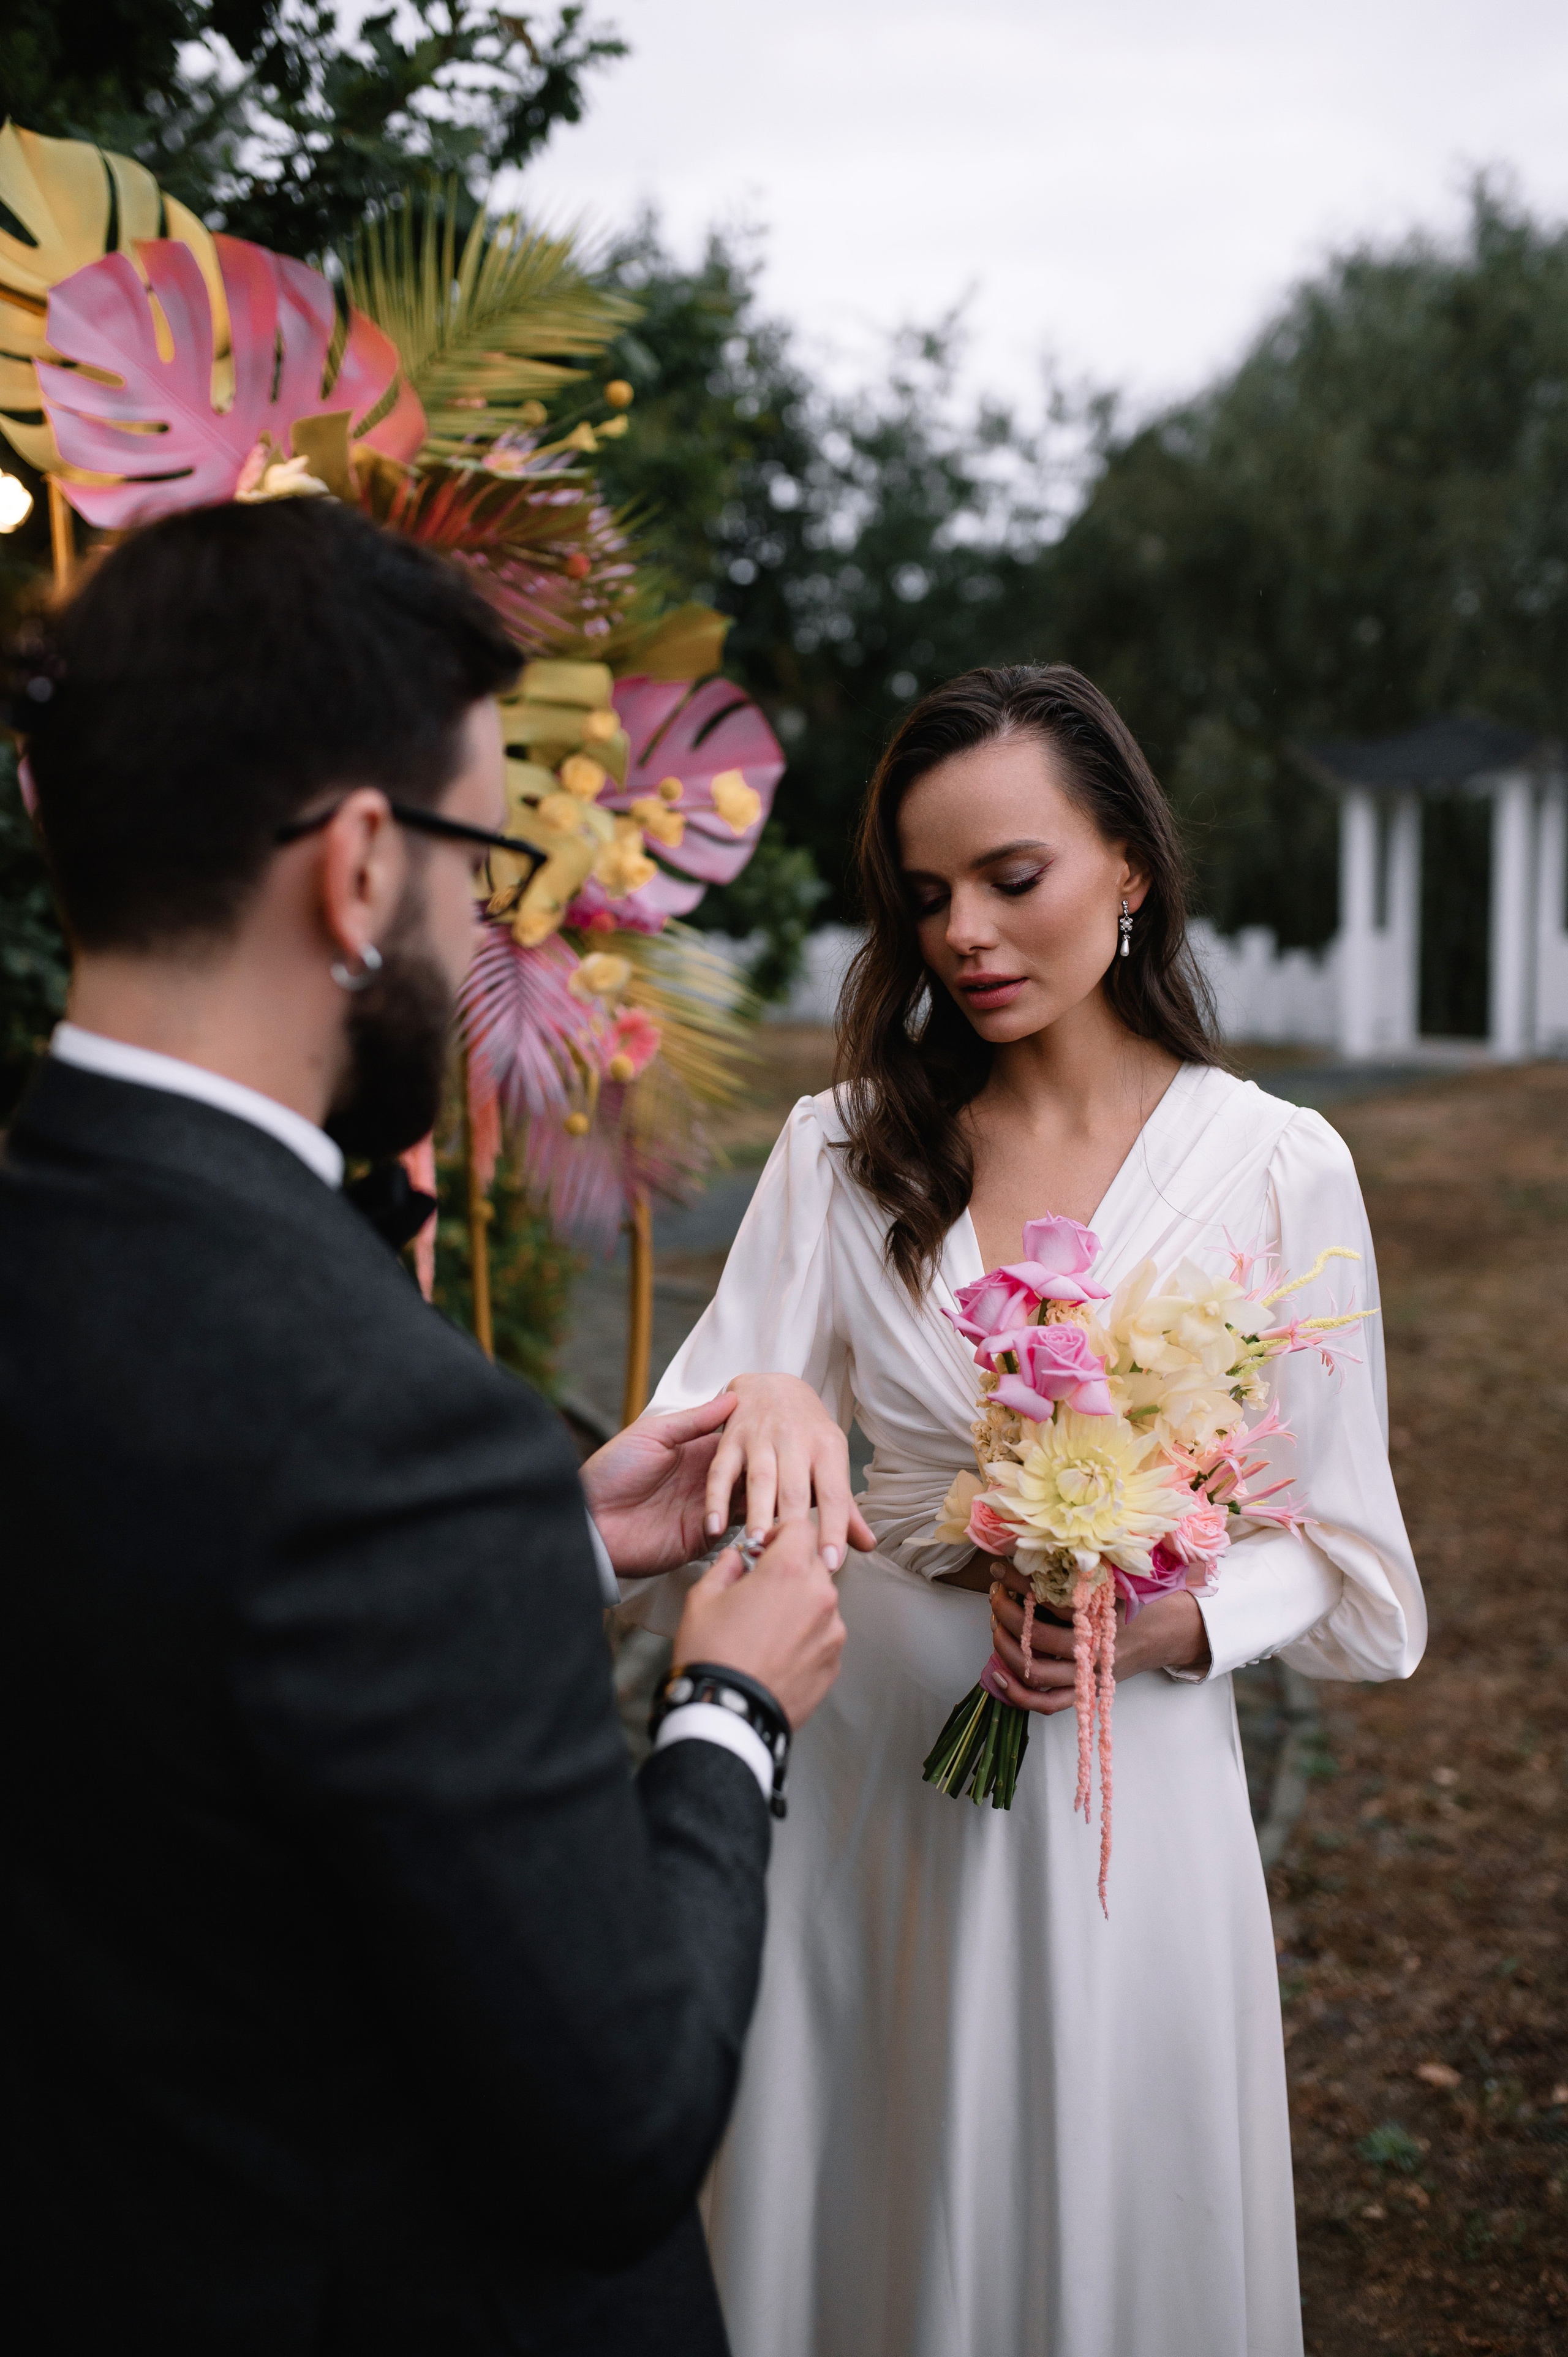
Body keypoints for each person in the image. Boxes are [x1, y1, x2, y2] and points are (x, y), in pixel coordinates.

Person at [1, 498, 855, 2357]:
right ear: (362, 864)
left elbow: (170, 1661)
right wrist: (730, 1711)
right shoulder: (388, 1427)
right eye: (474, 856)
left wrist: (542, 1547)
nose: (478, 927)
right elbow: (615, 2122)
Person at [617, 665, 1427, 2357]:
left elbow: (1355, 1577)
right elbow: (682, 1468)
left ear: (1129, 866)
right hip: (869, 1784)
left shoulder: (1282, 1167)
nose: (965, 934)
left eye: (1012, 878)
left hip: (1124, 1807)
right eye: (924, 899)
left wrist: (1169, 1619)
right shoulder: (843, 1152)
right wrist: (765, 1397)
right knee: (865, 2206)